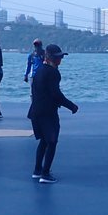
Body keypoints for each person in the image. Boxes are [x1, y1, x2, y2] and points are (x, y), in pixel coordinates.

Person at [28, 44, 78, 184]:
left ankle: (37, 170)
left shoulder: (39, 71)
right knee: (52, 141)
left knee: (44, 141)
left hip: (35, 111)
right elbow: (56, 94)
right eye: (58, 57)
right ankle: (45, 174)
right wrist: (71, 106)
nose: (60, 60)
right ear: (49, 57)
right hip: (47, 113)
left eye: (61, 57)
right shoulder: (53, 73)